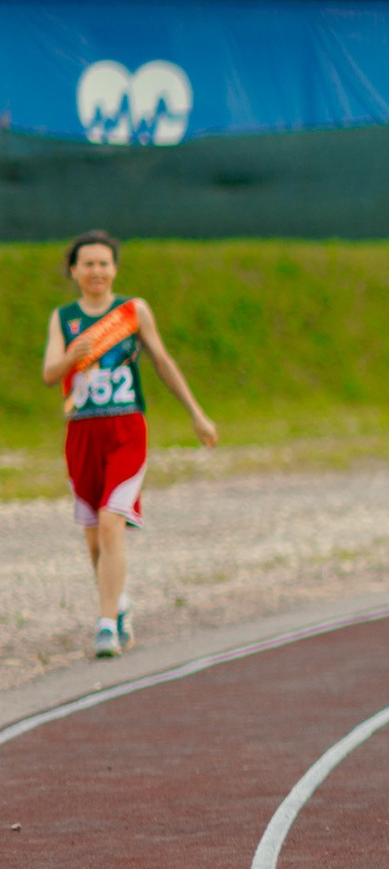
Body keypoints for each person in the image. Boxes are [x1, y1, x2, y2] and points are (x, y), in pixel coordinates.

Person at [37, 231, 218, 659]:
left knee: (112, 521)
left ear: (115, 269)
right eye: (88, 264)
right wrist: (71, 356)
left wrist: (196, 412)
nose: (97, 271)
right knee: (95, 538)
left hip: (126, 431)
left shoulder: (132, 311)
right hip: (82, 434)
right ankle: (117, 605)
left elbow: (162, 361)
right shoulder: (63, 318)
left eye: (104, 263)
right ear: (74, 270)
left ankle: (104, 629)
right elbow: (49, 373)